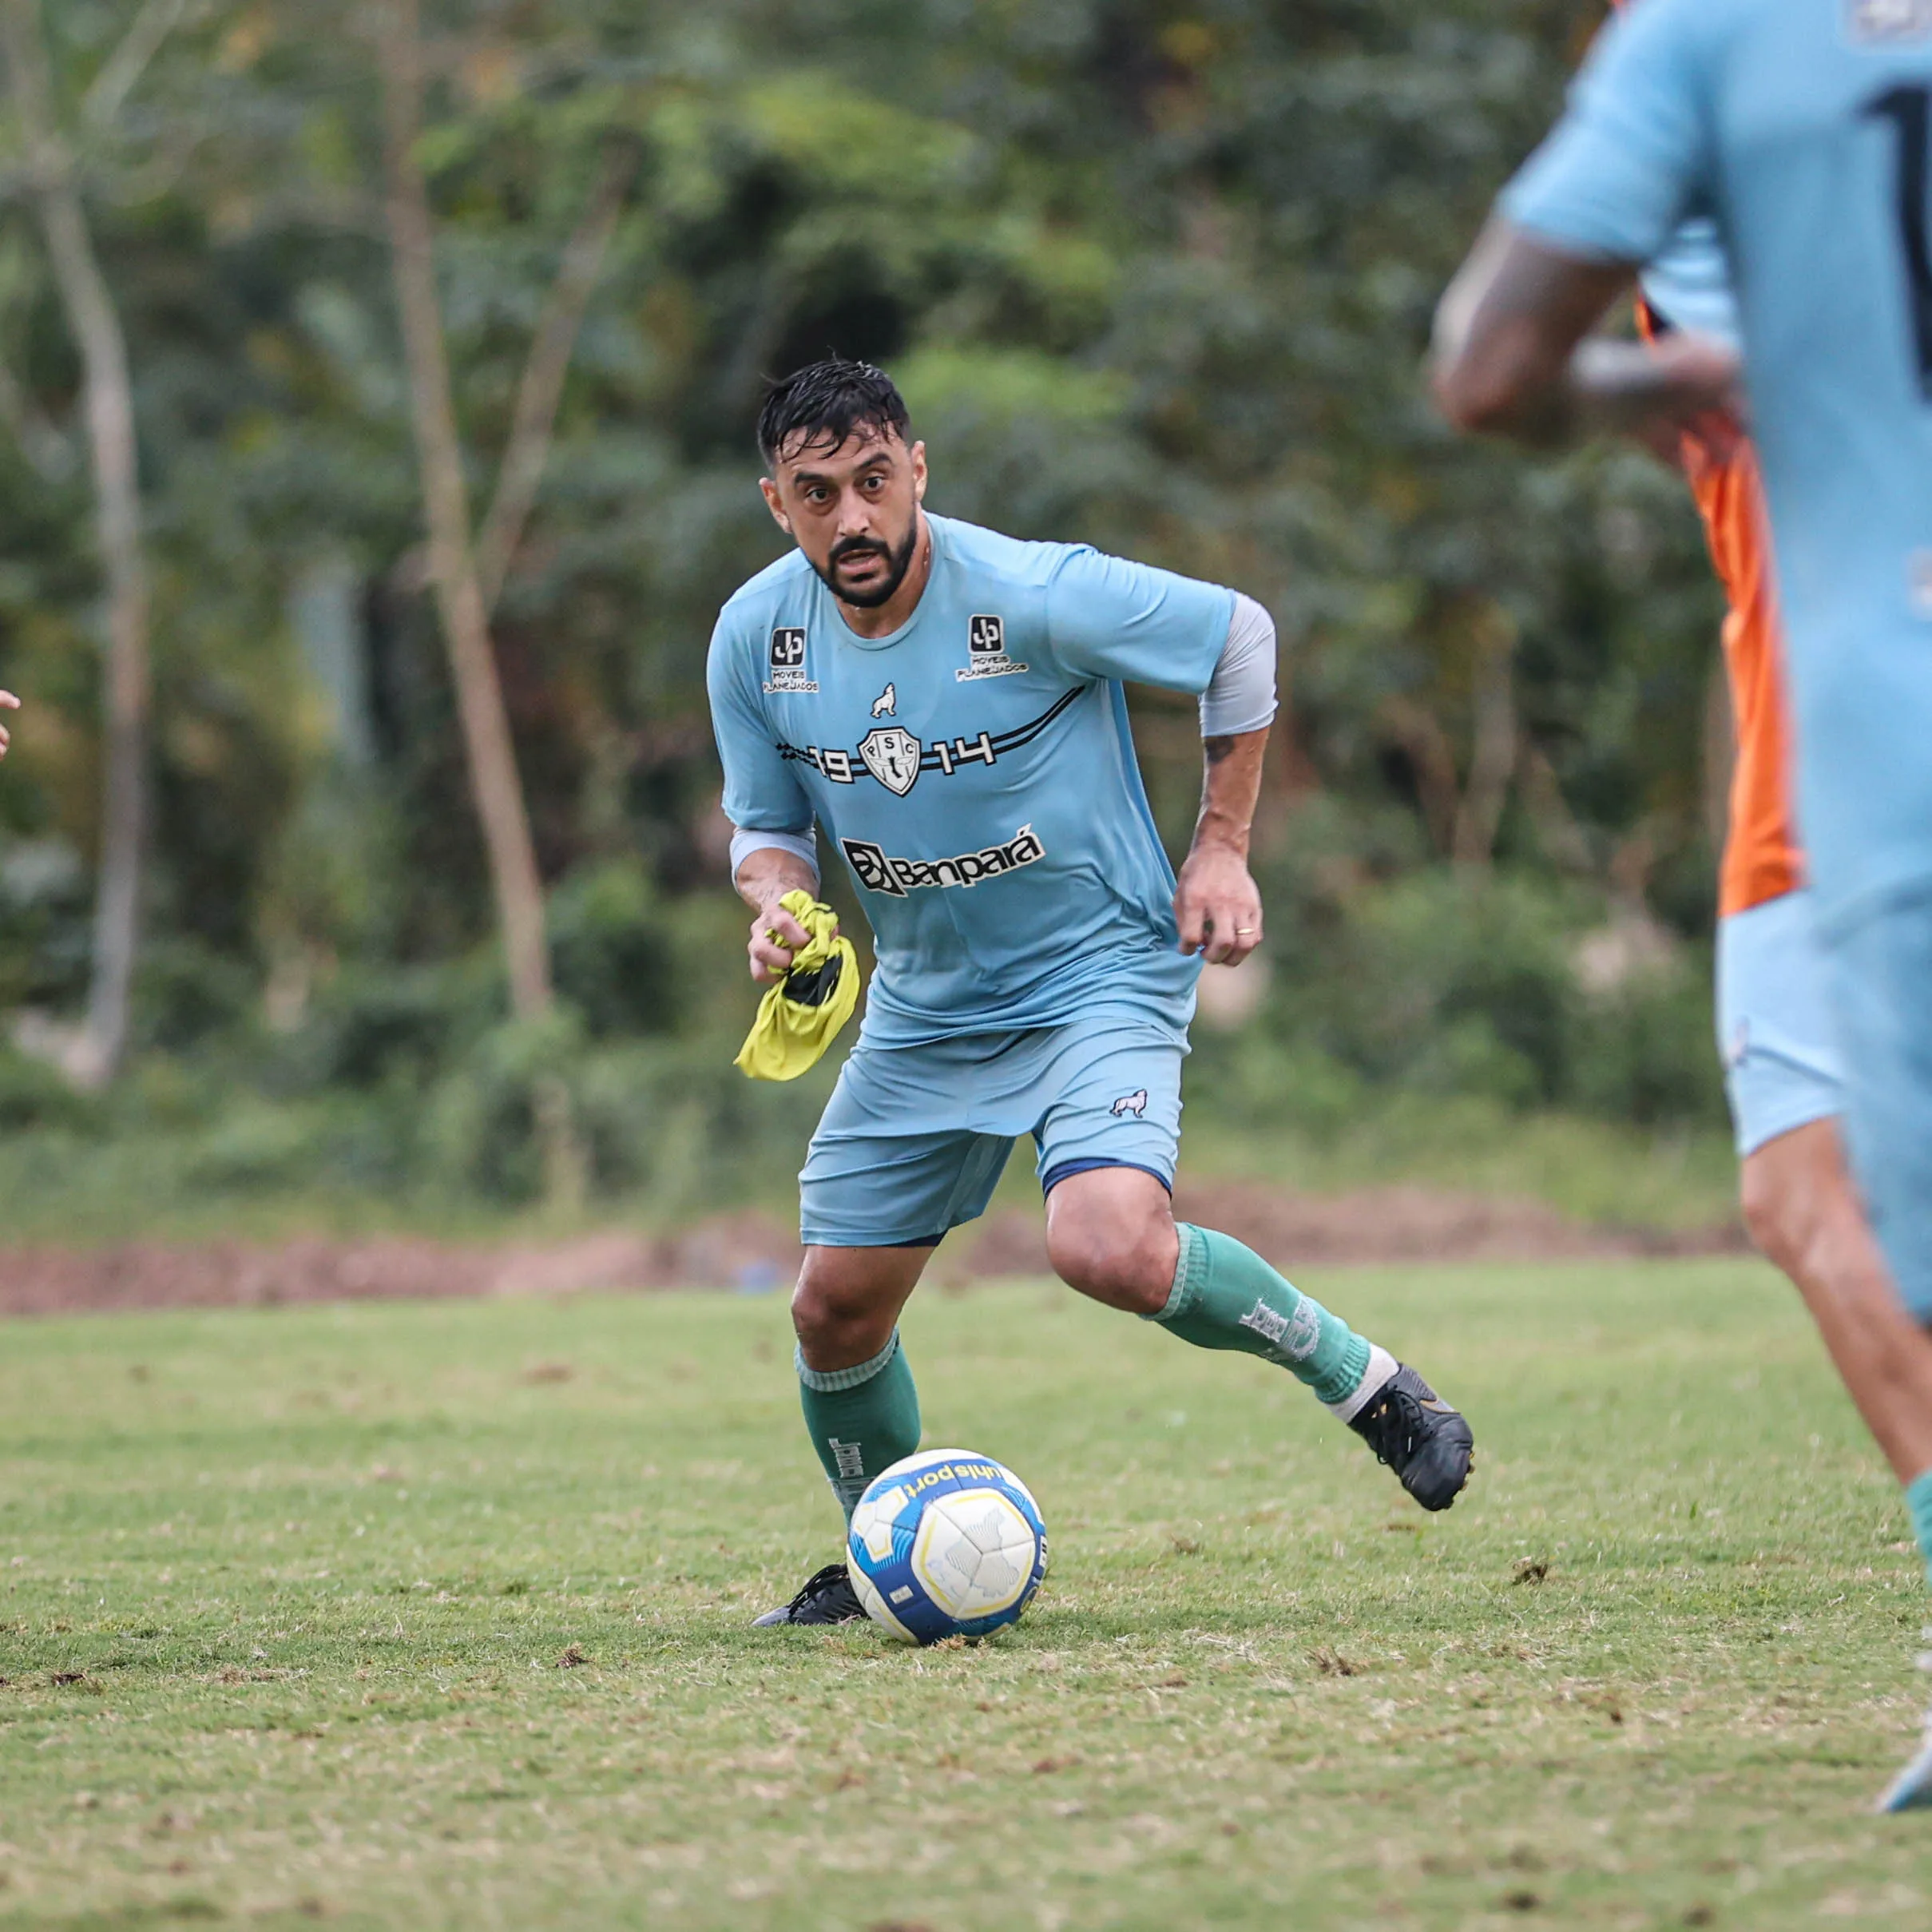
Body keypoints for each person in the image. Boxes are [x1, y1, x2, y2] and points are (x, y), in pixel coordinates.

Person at [708, 359, 1475, 1627]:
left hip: (1094, 971)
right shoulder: (757, 637)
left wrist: (1219, 844)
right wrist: (778, 904)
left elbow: (1239, 636)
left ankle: (1377, 1389)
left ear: (915, 472)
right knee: (831, 1308)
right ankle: (890, 1547)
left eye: (872, 481)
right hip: (923, 1000)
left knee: (1105, 1245)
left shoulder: (1028, 593)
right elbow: (764, 823)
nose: (851, 519)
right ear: (774, 504)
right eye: (815, 493)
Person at [1430, 0, 1932, 1808]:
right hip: (1813, 678)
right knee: (1805, 1190)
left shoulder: (1709, 45)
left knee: (1809, 1184)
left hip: (1857, 697)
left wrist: (1684, 390)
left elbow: (1490, 371)